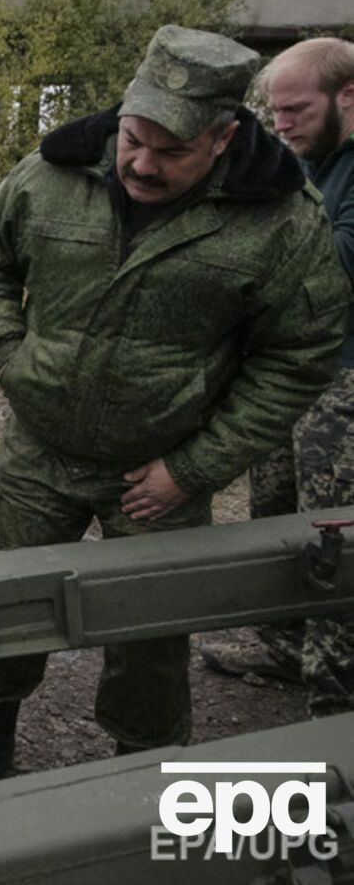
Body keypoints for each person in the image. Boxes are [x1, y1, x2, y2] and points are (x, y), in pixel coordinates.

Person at [0, 25, 348, 791]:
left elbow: (301, 353)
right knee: (5, 601)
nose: (141, 164)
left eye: (172, 150)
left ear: (224, 138)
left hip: (161, 469)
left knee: (152, 634)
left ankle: (142, 766)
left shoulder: (280, 218)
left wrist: (192, 468)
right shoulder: (54, 172)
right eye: (133, 139)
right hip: (41, 449)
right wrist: (8, 353)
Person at [201, 37, 354, 716]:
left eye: (296, 109)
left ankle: (335, 694)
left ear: (348, 97)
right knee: (275, 517)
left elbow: (332, 271)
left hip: (343, 380)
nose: (281, 124)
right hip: (287, 372)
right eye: (274, 110)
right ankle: (285, 646)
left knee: (333, 535)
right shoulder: (311, 164)